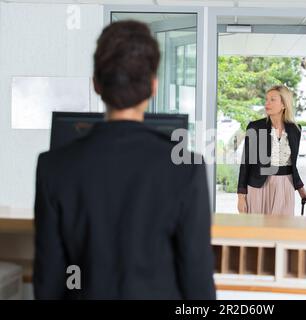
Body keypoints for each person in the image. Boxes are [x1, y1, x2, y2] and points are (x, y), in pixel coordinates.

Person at [33, 20, 216, 299]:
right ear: (153, 86)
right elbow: (197, 277)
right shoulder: (187, 168)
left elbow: (49, 279)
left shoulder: (53, 167)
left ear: (96, 83)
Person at [237, 85, 306, 216]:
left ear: (284, 104)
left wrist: (302, 191)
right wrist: (241, 197)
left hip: (285, 187)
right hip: (258, 187)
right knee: (257, 232)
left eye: (272, 100)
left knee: (281, 232)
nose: (267, 103)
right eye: (266, 99)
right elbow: (245, 164)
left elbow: (292, 166)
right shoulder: (255, 127)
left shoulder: (295, 130)